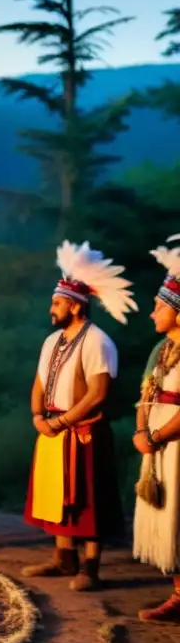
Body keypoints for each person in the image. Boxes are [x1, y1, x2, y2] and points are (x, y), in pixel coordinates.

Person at [22, 241, 135, 591]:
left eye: (57, 302)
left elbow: (98, 393)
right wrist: (38, 416)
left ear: (74, 305)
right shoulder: (51, 340)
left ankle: (90, 567)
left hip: (84, 430)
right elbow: (40, 382)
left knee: (89, 498)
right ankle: (62, 559)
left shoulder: (98, 341)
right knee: (56, 494)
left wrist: (61, 422)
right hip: (53, 426)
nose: (51, 308)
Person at [132, 237, 180, 620]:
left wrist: (156, 436)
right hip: (156, 445)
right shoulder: (159, 350)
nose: (151, 313)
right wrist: (141, 433)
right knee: (167, 514)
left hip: (173, 444)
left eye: (158, 307)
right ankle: (178, 592)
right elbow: (145, 396)